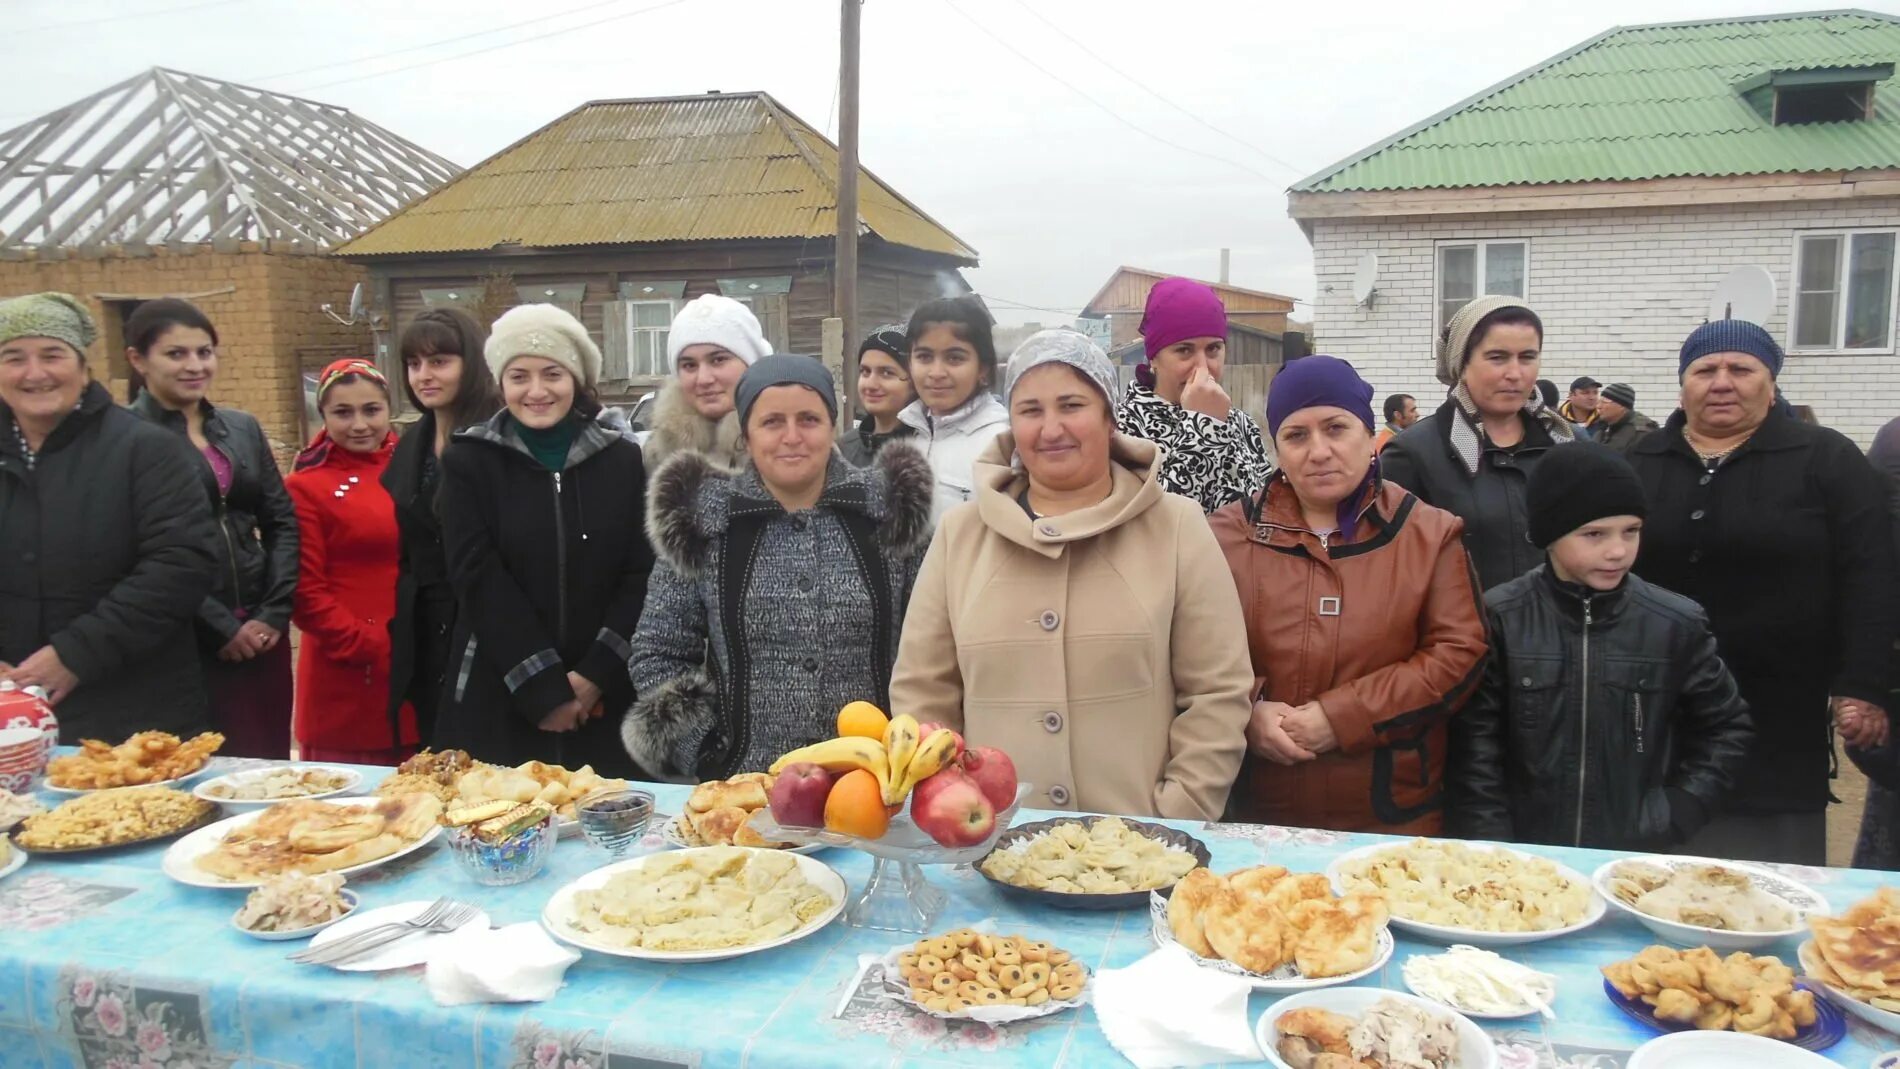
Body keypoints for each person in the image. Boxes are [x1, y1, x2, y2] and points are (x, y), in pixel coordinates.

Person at [890, 330, 1253, 820]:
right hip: (991, 848)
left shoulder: (1177, 527)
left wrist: (1177, 813)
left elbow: (1218, 691)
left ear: (1109, 417)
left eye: (1072, 405)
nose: (1051, 428)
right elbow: (923, 694)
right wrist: (952, 806)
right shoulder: (961, 536)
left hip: (1138, 852)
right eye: (1031, 410)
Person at [1628, 319, 1896, 865]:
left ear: (1770, 383)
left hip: (1778, 709)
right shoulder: (1639, 460)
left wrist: (1861, 683)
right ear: (1683, 385)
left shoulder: (1826, 459)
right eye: (1705, 370)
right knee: (1652, 856)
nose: (1722, 382)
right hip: (1653, 705)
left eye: (1741, 369)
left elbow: (1870, 574)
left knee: (1769, 875)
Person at [623, 355, 935, 777]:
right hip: (748, 788)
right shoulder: (705, 520)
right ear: (747, 436)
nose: (792, 437)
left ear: (832, 426)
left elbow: (934, 648)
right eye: (772, 422)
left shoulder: (890, 512)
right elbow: (658, 650)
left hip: (877, 786)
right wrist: (706, 749)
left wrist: (910, 751)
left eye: (809, 419)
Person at [1212, 355, 1487, 833]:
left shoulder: (1428, 535)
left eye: (1336, 428)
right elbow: (1187, 654)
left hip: (1389, 823)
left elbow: (1457, 655)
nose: (1318, 451)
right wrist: (1245, 713)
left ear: (1369, 433)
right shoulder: (1225, 537)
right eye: (1296, 435)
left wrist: (1343, 717)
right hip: (1255, 818)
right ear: (1277, 447)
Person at [1449, 443, 1752, 850]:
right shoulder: (1501, 617)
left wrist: (1678, 811)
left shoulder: (1675, 623)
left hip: (1634, 855)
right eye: (1594, 534)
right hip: (1523, 856)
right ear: (1549, 534)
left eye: (1631, 531)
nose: (1617, 551)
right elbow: (1475, 745)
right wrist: (1492, 841)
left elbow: (1725, 727)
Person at [435, 304, 649, 775]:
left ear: (575, 379)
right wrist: (545, 689)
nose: (536, 391)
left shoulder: (622, 462)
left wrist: (593, 677)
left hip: (606, 696)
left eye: (552, 373)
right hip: (500, 691)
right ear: (500, 383)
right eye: (519, 376)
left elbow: (639, 575)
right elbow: (479, 579)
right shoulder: (469, 463)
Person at [0, 293, 219, 741]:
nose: (35, 373)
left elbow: (180, 564)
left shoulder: (145, 450)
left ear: (83, 368)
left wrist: (75, 653)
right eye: (13, 357)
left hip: (132, 716)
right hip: (11, 720)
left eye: (52, 355)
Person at [127, 299, 297, 759]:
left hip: (263, 631)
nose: (195, 365)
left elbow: (280, 520)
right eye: (176, 354)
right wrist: (220, 627)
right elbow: (142, 551)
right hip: (186, 638)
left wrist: (274, 613)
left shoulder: (240, 428)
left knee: (270, 764)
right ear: (138, 359)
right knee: (203, 763)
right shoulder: (126, 439)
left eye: (204, 352)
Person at [1381, 296, 1577, 592]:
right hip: (1463, 634)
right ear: (1463, 363)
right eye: (1497, 357)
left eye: (1527, 357)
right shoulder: (1413, 454)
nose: (1515, 373)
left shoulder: (1566, 444)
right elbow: (1391, 568)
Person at [285, 359, 416, 764]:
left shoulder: (419, 467)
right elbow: (304, 591)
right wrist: (369, 645)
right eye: (343, 412)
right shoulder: (305, 486)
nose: (359, 424)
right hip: (348, 669)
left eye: (371, 410)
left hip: (419, 661)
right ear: (322, 415)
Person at [383, 308, 503, 747]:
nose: (424, 376)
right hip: (426, 629)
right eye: (414, 364)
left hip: (486, 629)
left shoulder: (497, 436)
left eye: (439, 362)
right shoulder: (410, 444)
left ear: (469, 364)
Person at [1114, 278, 1271, 512]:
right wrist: (1205, 429)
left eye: (1213, 349)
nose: (1203, 368)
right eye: (1184, 350)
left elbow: (1268, 507)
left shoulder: (1241, 423)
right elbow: (1156, 523)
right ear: (1153, 357)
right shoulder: (1122, 429)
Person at [896, 296, 1010, 521]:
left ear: (983, 369)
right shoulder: (906, 433)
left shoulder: (1002, 445)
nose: (937, 372)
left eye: (955, 358)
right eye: (924, 357)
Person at [643, 294, 772, 472]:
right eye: (689, 365)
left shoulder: (793, 446)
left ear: (751, 364)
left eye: (718, 360)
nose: (703, 379)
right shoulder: (654, 457)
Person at [840, 324, 916, 467]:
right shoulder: (845, 450)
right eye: (865, 371)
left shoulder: (930, 450)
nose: (871, 384)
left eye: (887, 373)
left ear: (914, 381)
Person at [1593, 382, 1658, 455]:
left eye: (1604, 402)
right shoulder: (1603, 427)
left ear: (1622, 406)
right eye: (1599, 402)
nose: (1598, 406)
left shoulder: (1641, 431)